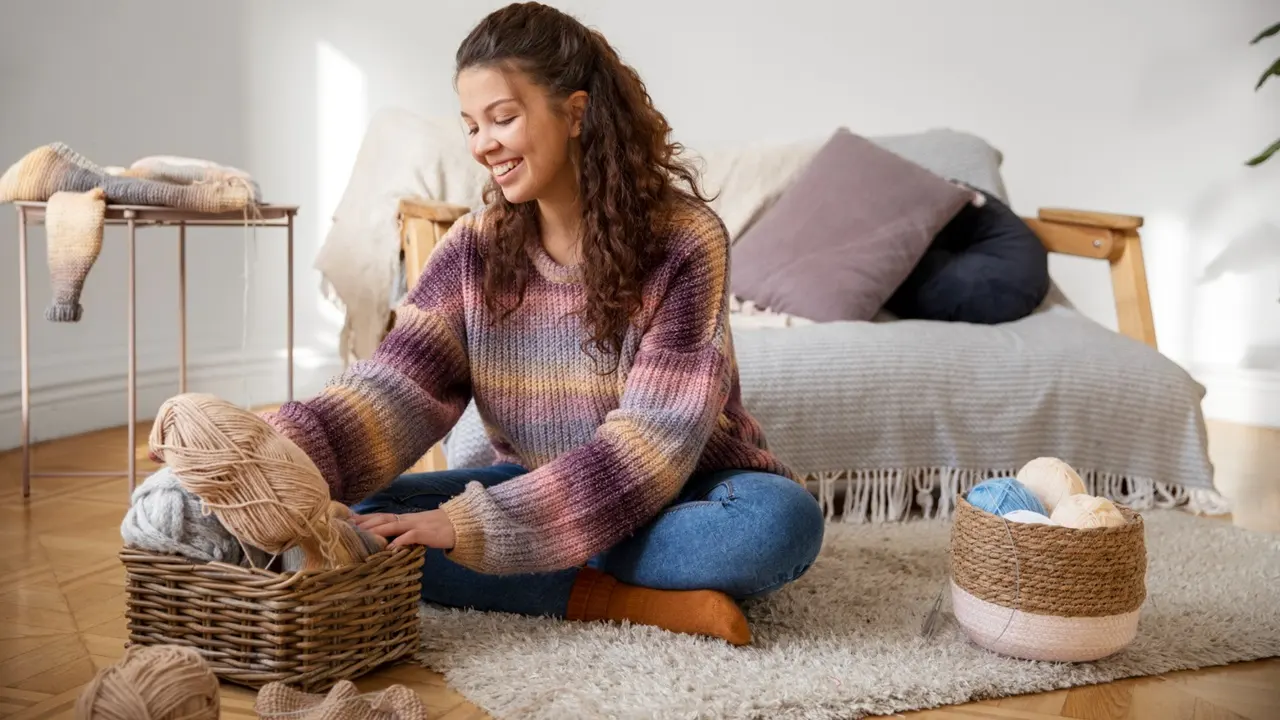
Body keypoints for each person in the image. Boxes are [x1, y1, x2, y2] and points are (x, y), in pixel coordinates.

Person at [262, 1, 824, 646]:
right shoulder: (471, 249)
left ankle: (542, 572)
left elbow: (656, 442)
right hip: (536, 486)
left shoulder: (684, 241)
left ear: (576, 112)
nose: (483, 145)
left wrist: (477, 530)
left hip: (687, 488)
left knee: (777, 526)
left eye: (502, 118)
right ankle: (624, 599)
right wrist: (274, 451)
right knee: (361, 515)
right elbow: (395, 389)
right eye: (471, 125)